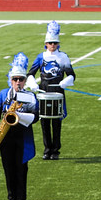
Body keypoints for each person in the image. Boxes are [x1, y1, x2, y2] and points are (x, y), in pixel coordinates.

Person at [0, 53, 37, 200]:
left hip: (22, 135)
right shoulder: (4, 94)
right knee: (8, 167)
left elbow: (36, 117)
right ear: (10, 80)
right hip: (6, 136)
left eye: (21, 79)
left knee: (21, 167)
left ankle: (21, 197)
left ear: (25, 80)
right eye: (15, 79)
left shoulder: (30, 96)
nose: (18, 82)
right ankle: (11, 197)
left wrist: (19, 116)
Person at [27, 21, 76, 160]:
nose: (52, 45)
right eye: (50, 43)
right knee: (44, 121)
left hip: (58, 92)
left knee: (56, 121)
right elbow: (31, 73)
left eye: (55, 43)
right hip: (44, 92)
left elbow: (72, 74)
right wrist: (32, 83)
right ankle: (47, 149)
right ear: (46, 44)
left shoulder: (63, 57)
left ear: (58, 43)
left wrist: (65, 82)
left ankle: (55, 150)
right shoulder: (40, 57)